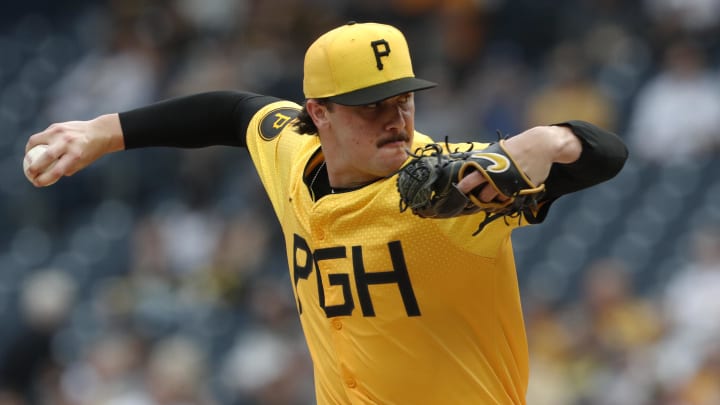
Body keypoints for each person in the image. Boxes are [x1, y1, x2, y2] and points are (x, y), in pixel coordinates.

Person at [24, 22, 628, 405]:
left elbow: (607, 155)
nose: (396, 118)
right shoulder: (292, 150)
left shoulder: (453, 183)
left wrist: (554, 139)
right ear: (318, 114)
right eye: (372, 106)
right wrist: (103, 132)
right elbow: (231, 112)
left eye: (404, 99)